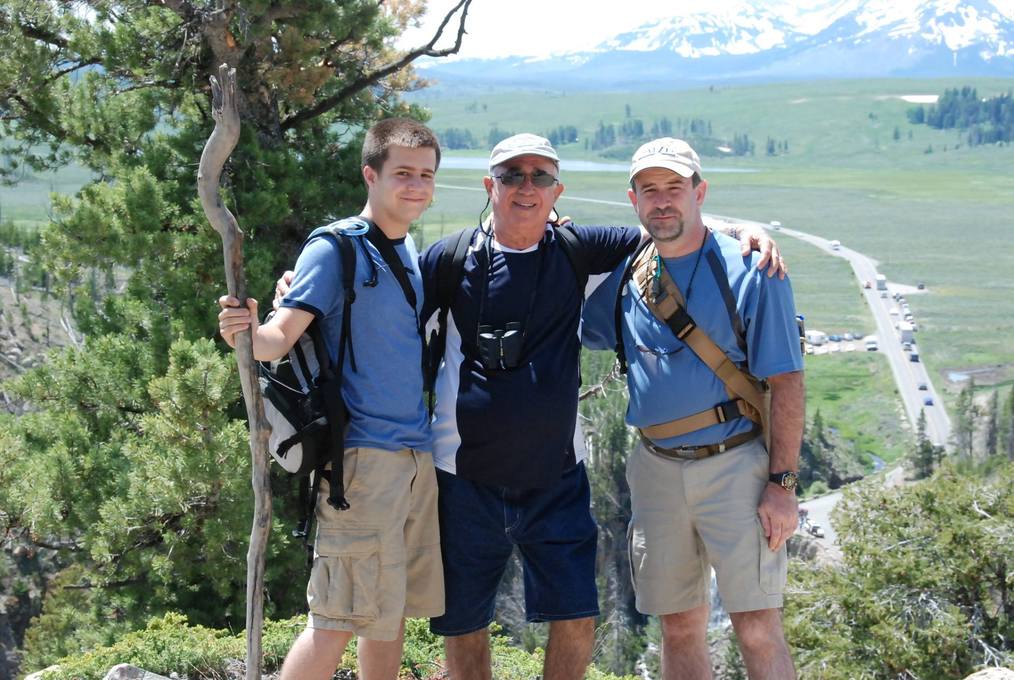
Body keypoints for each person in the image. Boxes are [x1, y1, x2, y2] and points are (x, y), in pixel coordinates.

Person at [273, 133, 784, 680]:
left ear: (556, 189)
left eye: (540, 176)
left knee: (576, 618)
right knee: (463, 623)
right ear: (490, 186)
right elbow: (382, 309)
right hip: (462, 477)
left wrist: (741, 230)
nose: (527, 187)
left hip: (556, 479)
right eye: (513, 175)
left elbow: (665, 224)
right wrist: (297, 293)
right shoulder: (450, 258)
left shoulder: (577, 249)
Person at [216, 118, 445, 680]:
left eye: (426, 175)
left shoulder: (406, 249)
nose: (416, 186)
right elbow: (276, 340)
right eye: (403, 174)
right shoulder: (336, 246)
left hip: (412, 458)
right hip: (362, 462)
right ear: (371, 174)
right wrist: (244, 327)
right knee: (337, 617)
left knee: (385, 617)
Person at [582, 137, 804, 679]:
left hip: (737, 467)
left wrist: (784, 485)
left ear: (700, 192)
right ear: (633, 200)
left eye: (675, 189)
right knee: (678, 626)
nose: (663, 201)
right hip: (655, 470)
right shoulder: (627, 275)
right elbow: (582, 324)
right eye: (650, 190)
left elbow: (788, 380)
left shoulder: (753, 270)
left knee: (756, 625)